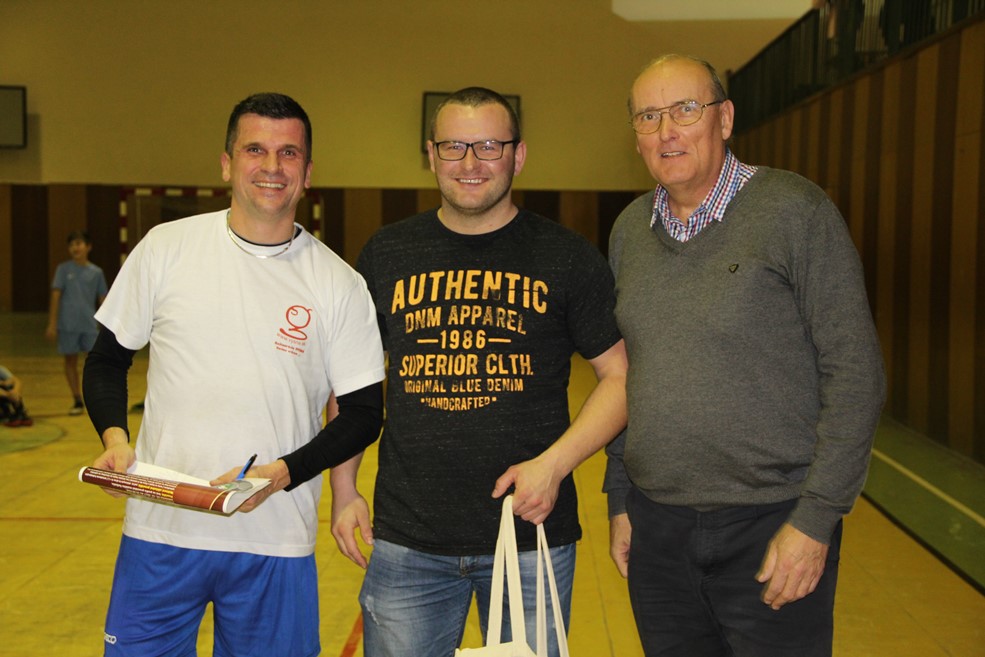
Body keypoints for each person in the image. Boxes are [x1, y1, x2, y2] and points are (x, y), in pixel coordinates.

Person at [81, 92, 386, 657]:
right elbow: (107, 359)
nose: (272, 166)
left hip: (275, 538)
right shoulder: (166, 249)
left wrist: (282, 474)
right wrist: (116, 439)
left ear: (308, 173)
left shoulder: (339, 283)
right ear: (226, 164)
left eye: (289, 153)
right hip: (160, 531)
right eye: (255, 150)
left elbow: (363, 414)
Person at [605, 55, 885, 657]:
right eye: (648, 117)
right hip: (658, 530)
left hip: (772, 527)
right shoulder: (628, 231)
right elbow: (627, 375)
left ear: (725, 118)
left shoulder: (795, 211)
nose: (666, 131)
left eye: (685, 110)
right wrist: (619, 497)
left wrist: (815, 521)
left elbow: (856, 374)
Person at [332, 87, 628, 657]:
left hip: (530, 533)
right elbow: (352, 383)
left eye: (490, 146)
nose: (470, 162)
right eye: (454, 146)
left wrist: (555, 465)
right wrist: (344, 490)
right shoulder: (388, 253)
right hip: (407, 540)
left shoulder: (566, 256)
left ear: (519, 155)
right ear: (431, 154)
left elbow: (619, 377)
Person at [45, 230, 108, 415]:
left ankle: (95, 398)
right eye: (72, 244)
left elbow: (103, 298)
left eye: (79, 243)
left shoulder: (96, 272)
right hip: (68, 325)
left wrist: (108, 325)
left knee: (94, 362)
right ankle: (77, 399)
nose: (75, 247)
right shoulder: (63, 270)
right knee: (70, 361)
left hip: (89, 325)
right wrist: (52, 323)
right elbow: (56, 296)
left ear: (88, 247)